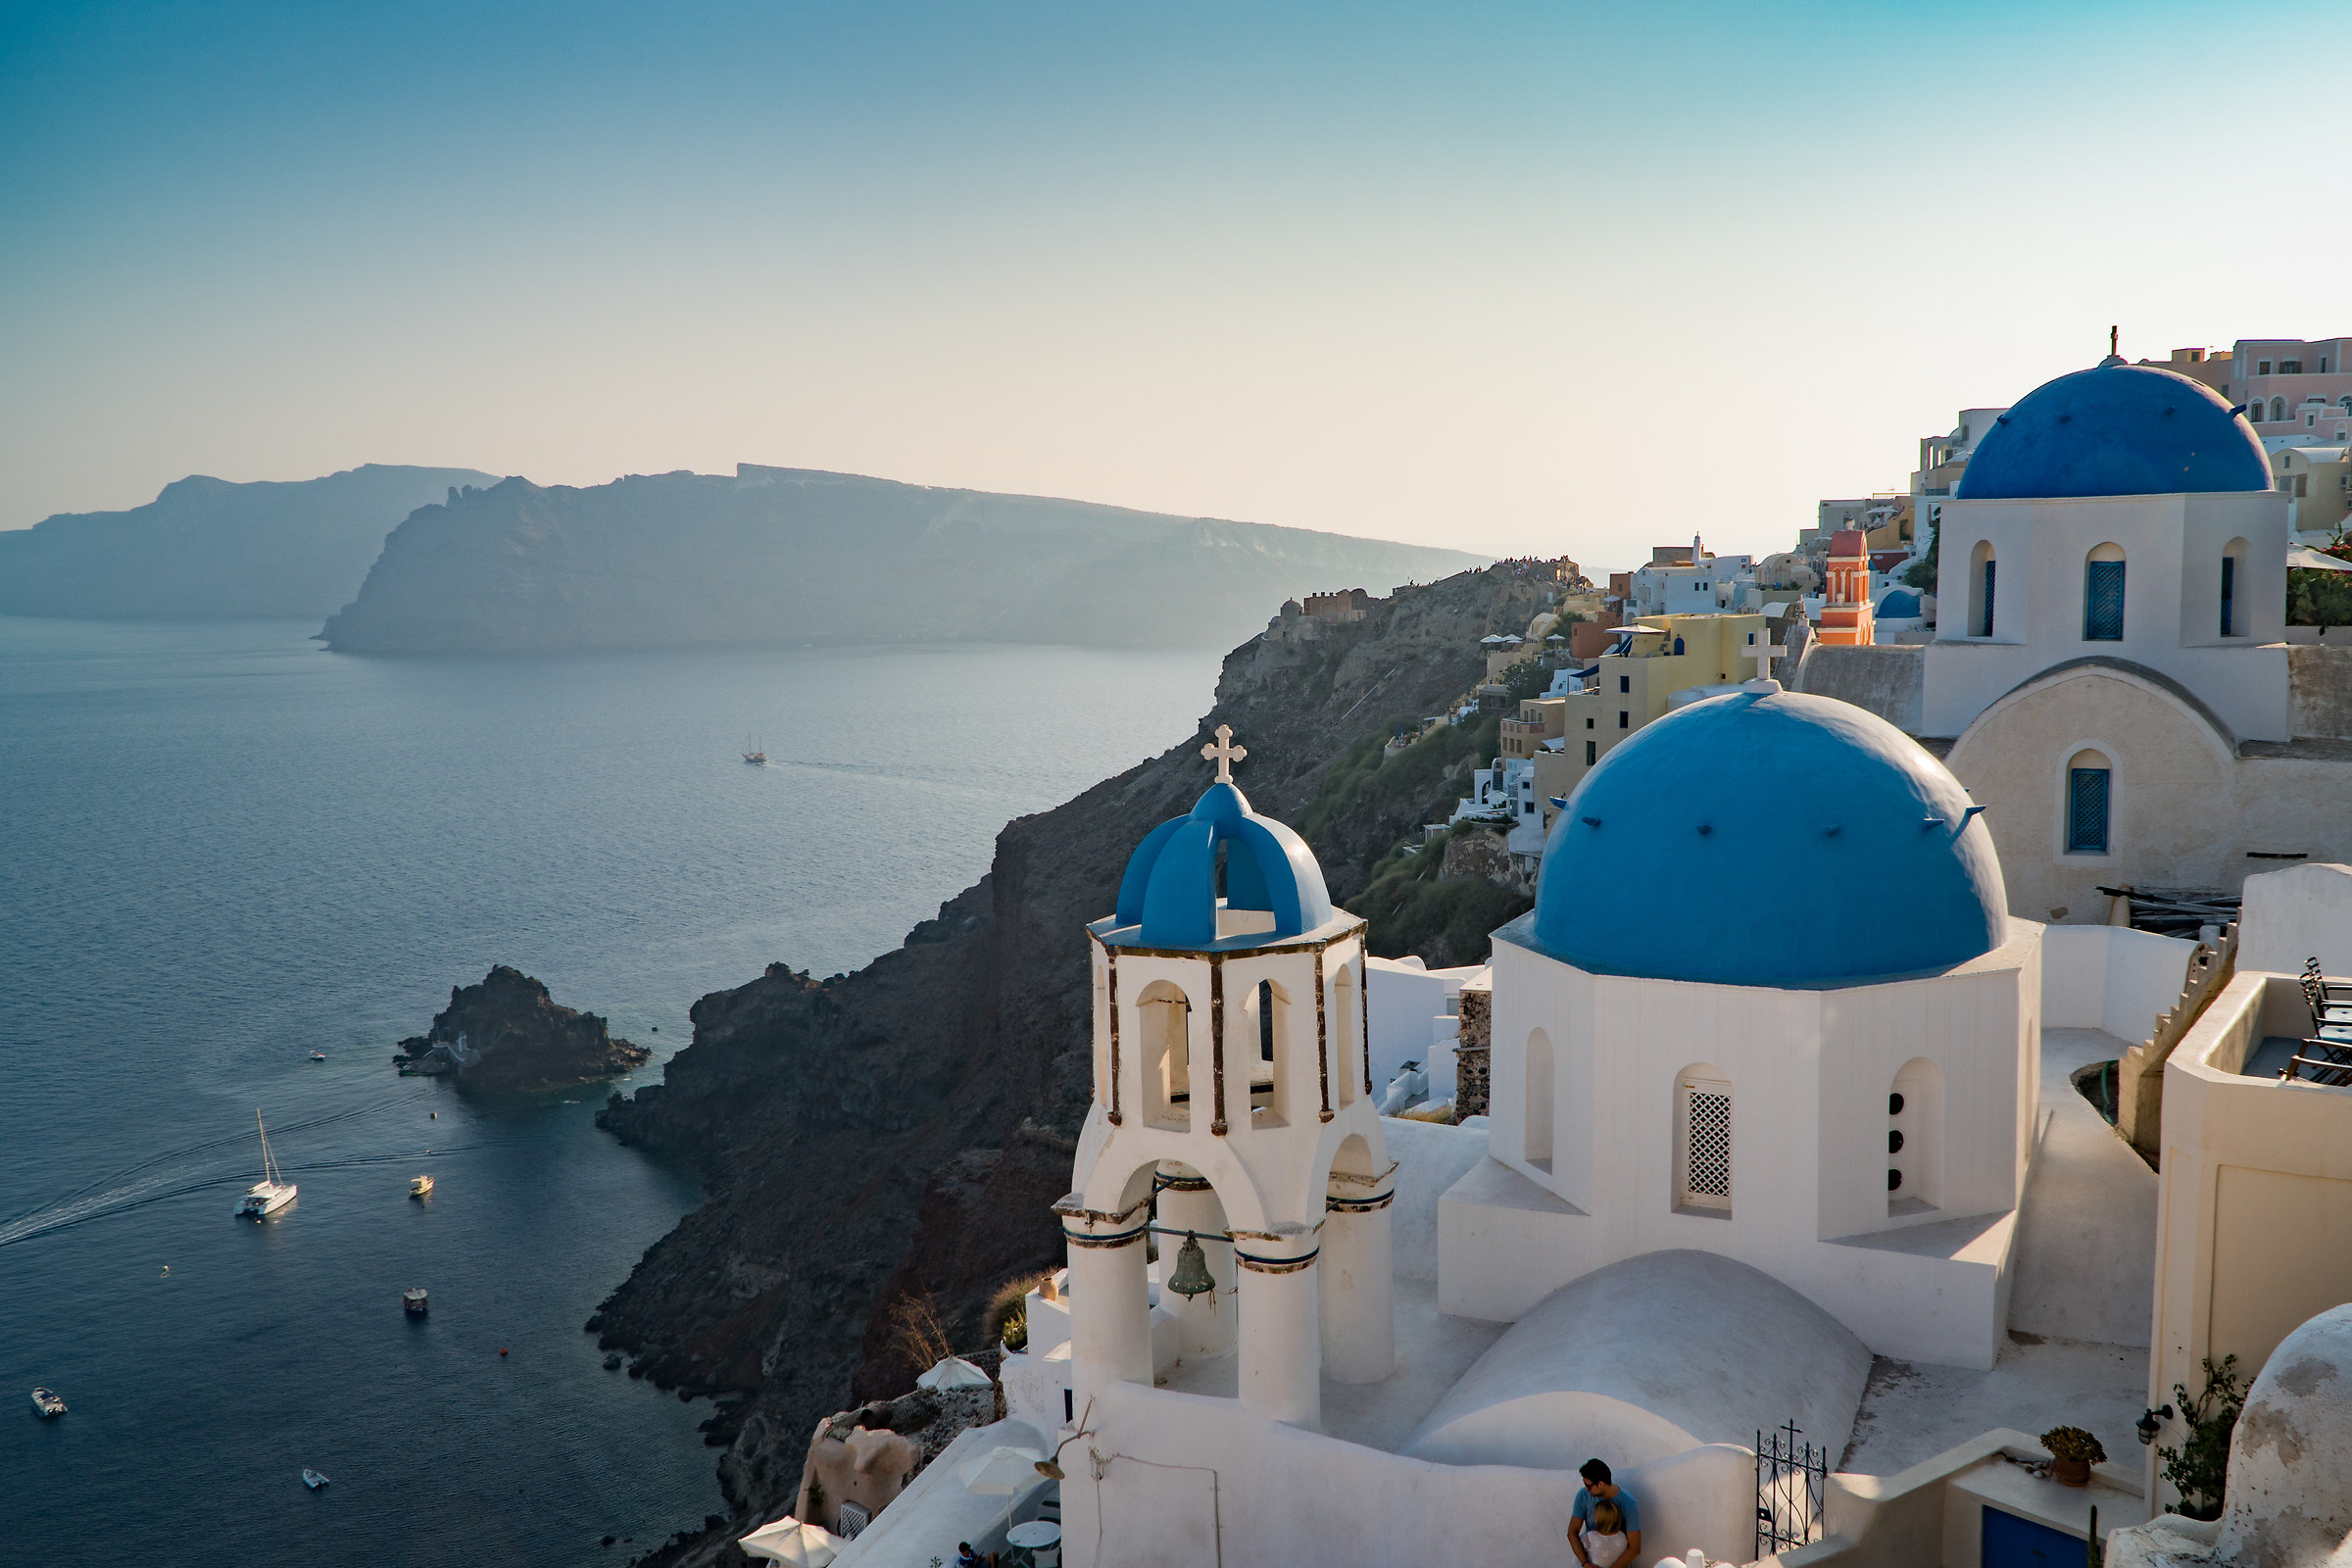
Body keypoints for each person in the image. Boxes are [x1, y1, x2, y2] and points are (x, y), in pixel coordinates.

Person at [1567, 1457, 1642, 1568]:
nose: (1586, 1489)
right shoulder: (1583, 1496)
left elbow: (1634, 1547)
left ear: (1601, 1484)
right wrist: (1585, 1564)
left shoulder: (1628, 1503)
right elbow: (1572, 1533)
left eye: (1588, 1486)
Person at [1580, 1498, 1631, 1568]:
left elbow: (1578, 1554)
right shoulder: (1623, 1537)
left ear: (1598, 1518)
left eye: (1595, 1514)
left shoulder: (1589, 1537)